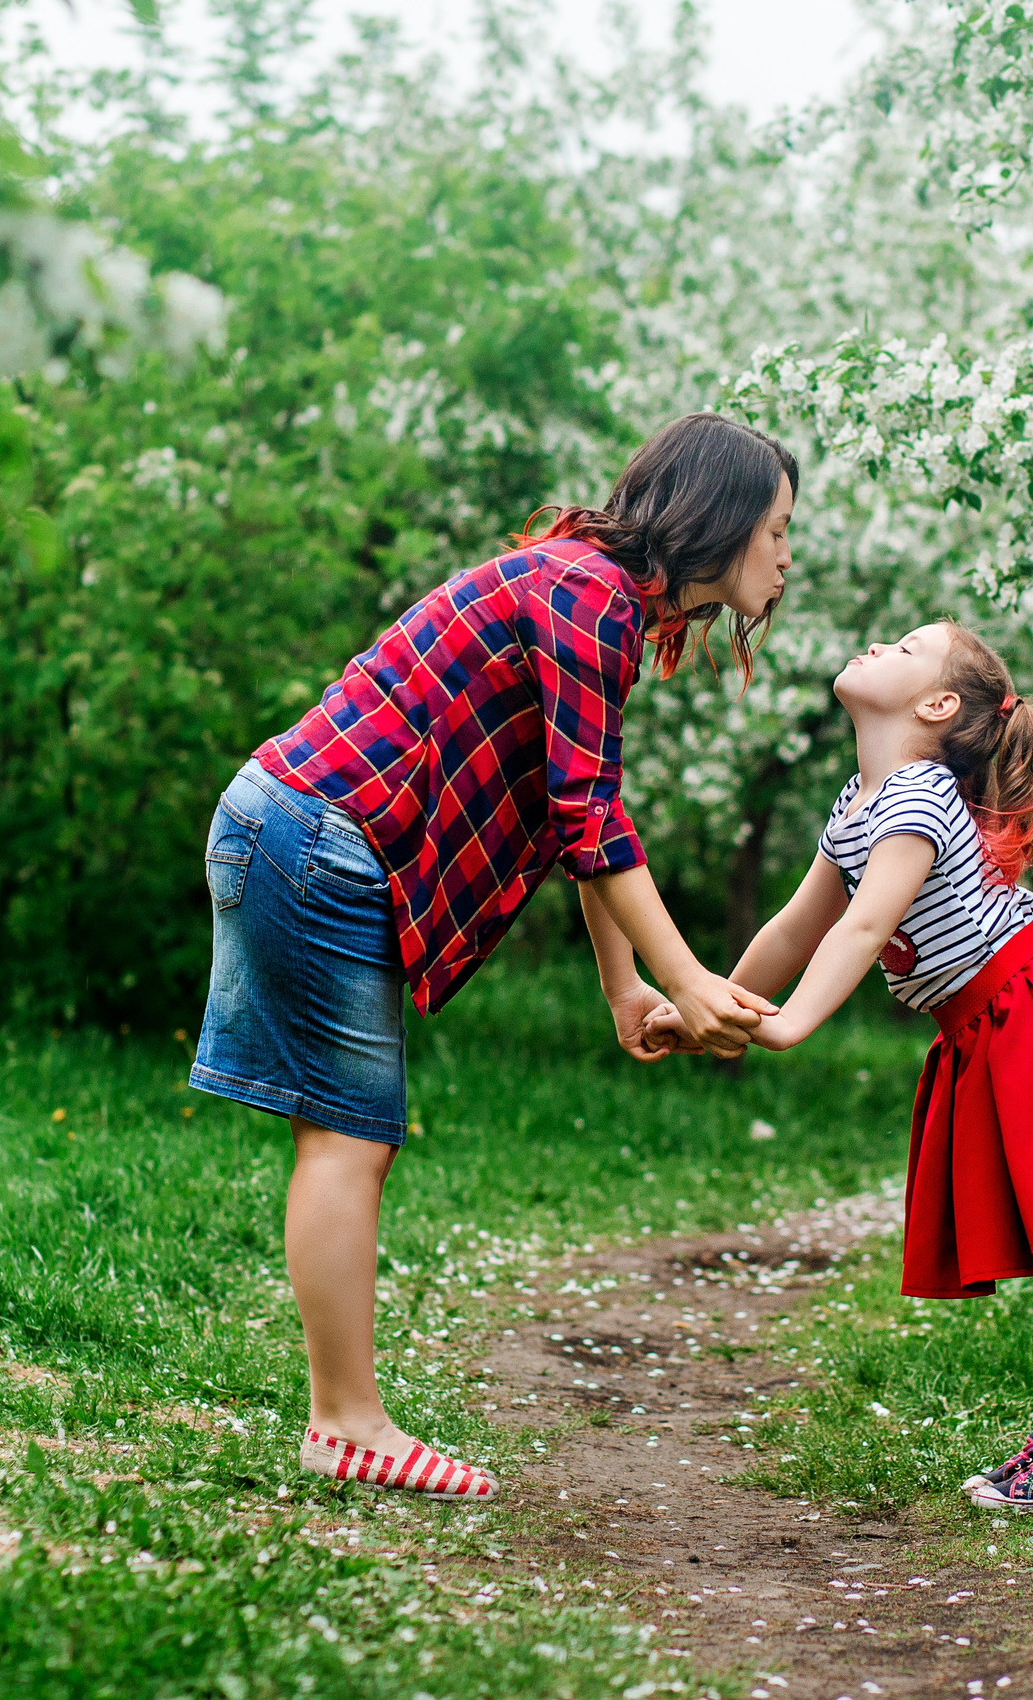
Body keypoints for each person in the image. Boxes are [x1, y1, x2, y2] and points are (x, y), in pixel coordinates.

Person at [189, 413, 796, 1500]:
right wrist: (687, 980)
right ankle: (346, 1423)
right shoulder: (590, 596)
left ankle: (344, 1418)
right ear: (723, 515)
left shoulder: (598, 596)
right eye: (779, 529)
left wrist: (625, 985)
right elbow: (590, 814)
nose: (788, 556)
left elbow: (582, 809)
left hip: (298, 826)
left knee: (347, 1139)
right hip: (317, 836)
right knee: (346, 1141)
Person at [645, 620, 1033, 1510]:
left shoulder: (920, 794)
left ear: (937, 705)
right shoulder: (859, 801)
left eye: (903, 647)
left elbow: (863, 927)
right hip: (988, 1022)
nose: (875, 646)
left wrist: (787, 1024)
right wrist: (705, 1004)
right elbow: (796, 926)